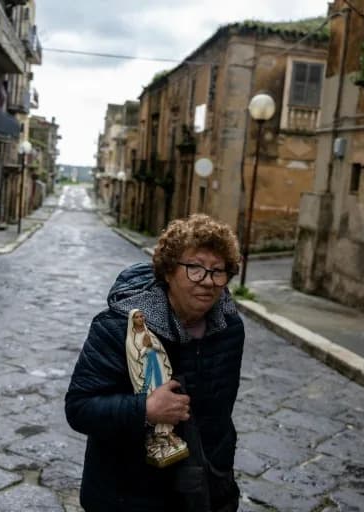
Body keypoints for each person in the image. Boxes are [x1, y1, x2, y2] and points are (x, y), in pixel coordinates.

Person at [65, 213, 245, 512]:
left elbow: (220, 412)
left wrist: (221, 467)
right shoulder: (117, 326)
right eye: (195, 268)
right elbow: (80, 408)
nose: (208, 281)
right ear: (169, 271)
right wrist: (145, 410)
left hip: (205, 487)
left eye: (218, 271)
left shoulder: (229, 327)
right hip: (129, 494)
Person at [126, 309, 189, 467]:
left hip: (158, 368)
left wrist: (152, 344)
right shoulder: (131, 338)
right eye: (137, 317)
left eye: (141, 316)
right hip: (147, 370)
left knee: (164, 394)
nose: (140, 319)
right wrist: (145, 348)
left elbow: (158, 348)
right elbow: (134, 356)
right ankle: (158, 437)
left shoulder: (148, 332)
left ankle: (167, 434)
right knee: (154, 398)